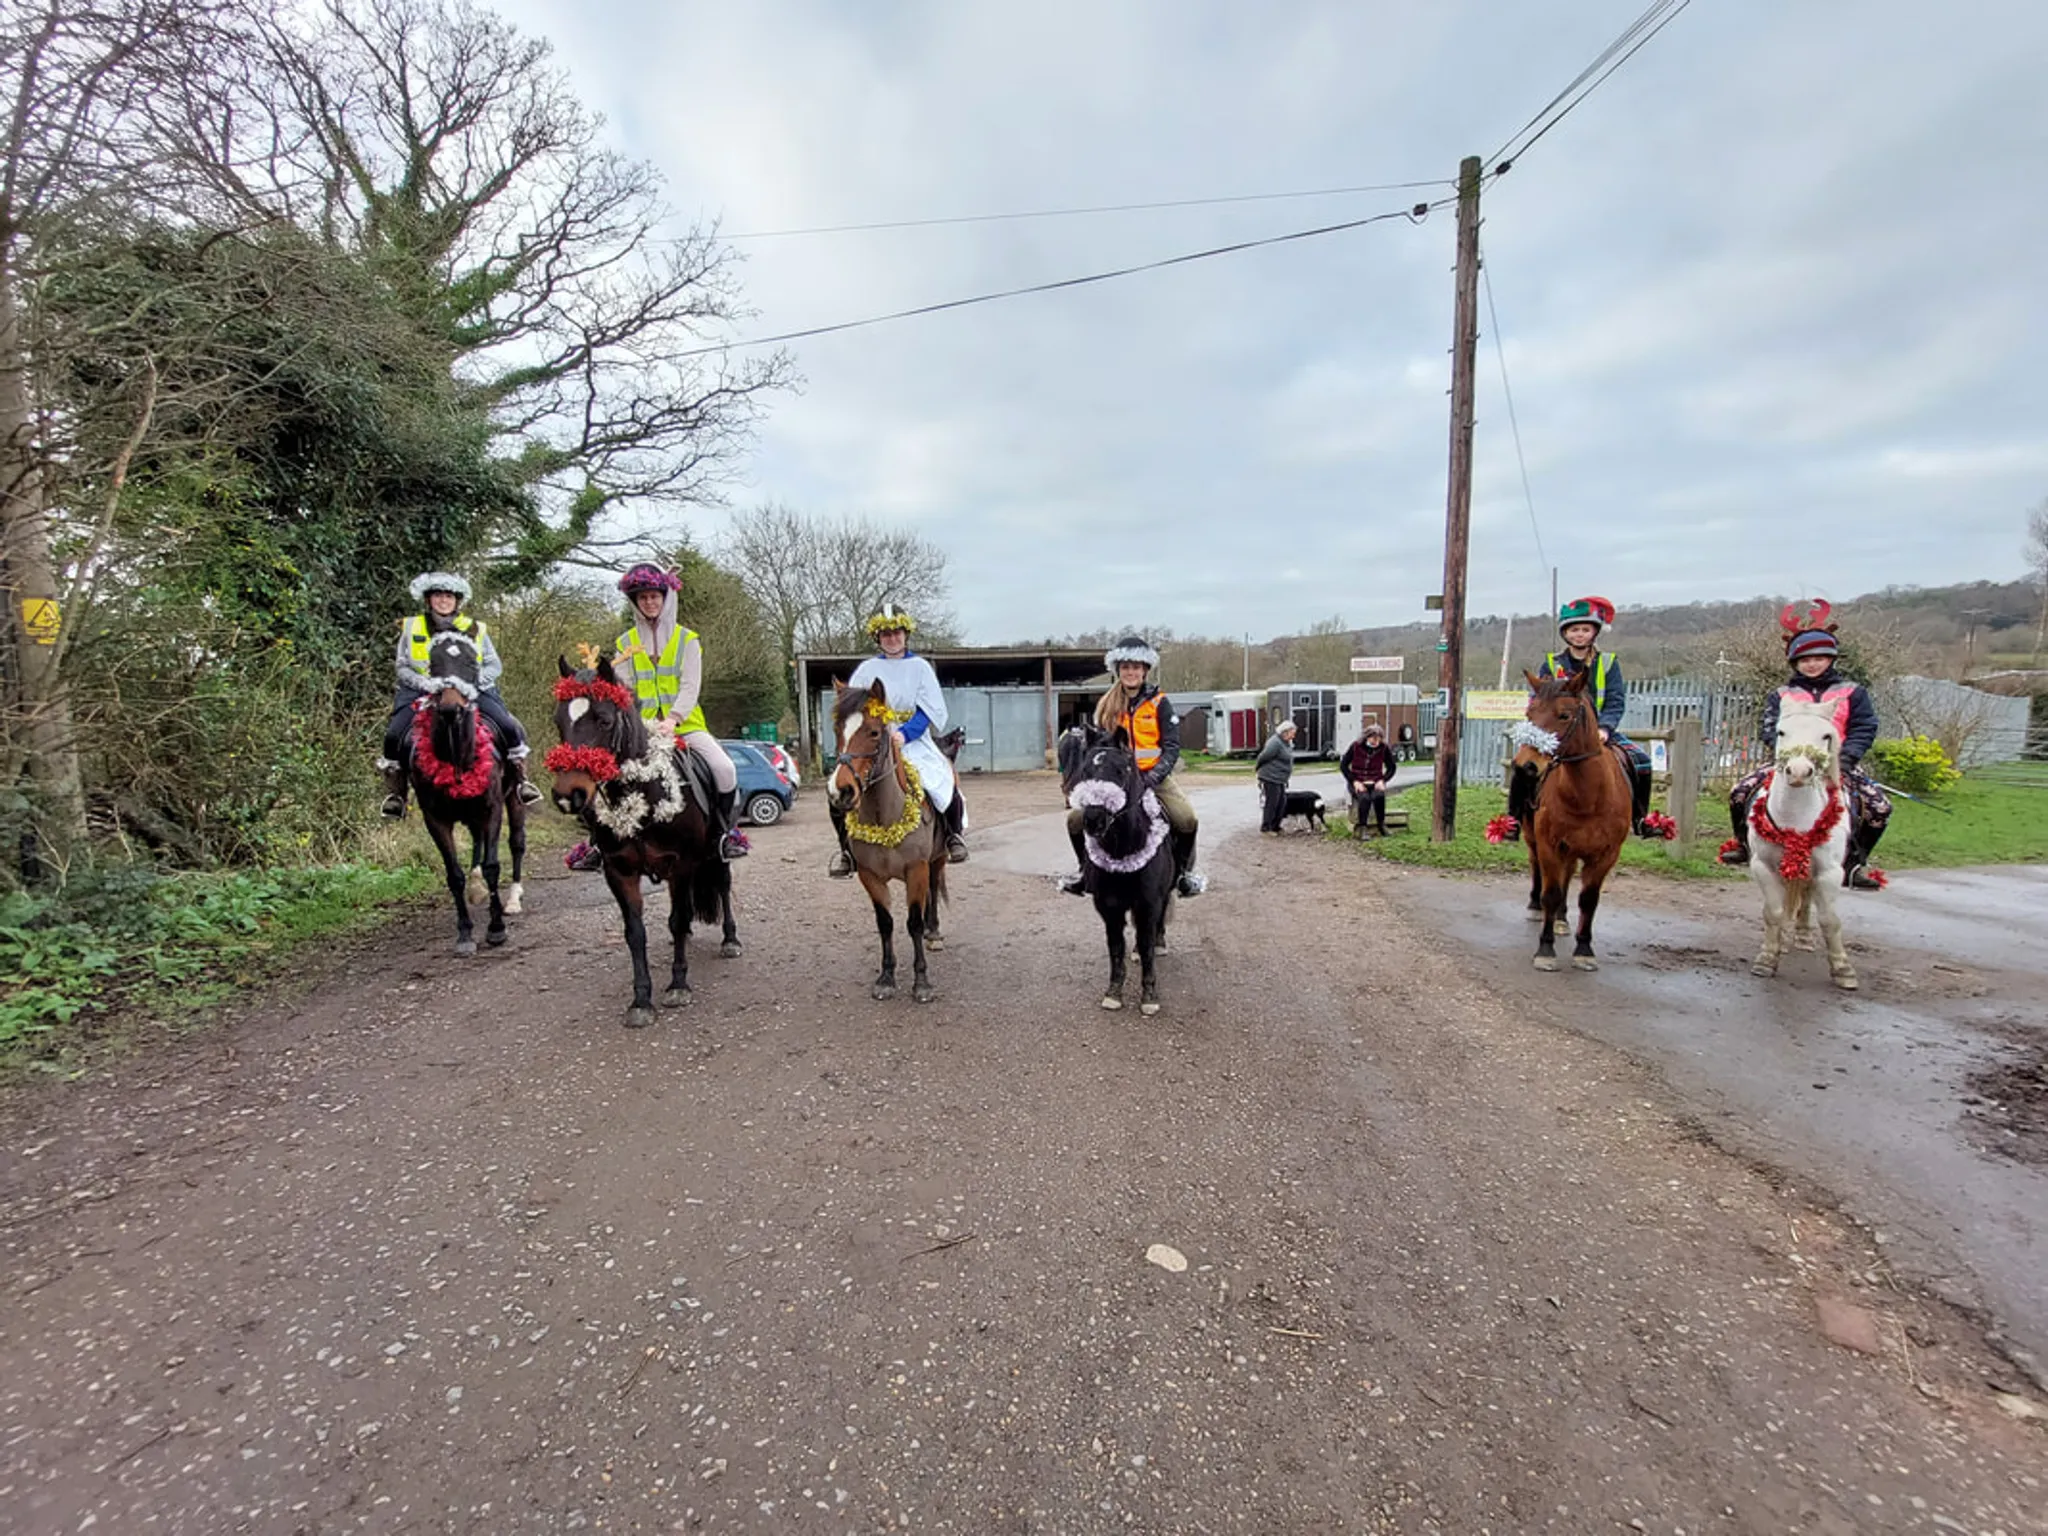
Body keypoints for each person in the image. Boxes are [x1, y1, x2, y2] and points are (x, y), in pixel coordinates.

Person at [1719, 605, 1891, 889]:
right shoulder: (1782, 695)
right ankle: (1743, 845)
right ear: (1795, 662)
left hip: (1837, 763)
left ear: (1831, 659)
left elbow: (1864, 727)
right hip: (1787, 764)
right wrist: (1785, 756)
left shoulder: (1852, 692)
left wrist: (1845, 759)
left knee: (1879, 807)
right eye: (1805, 659)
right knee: (1739, 792)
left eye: (1820, 658)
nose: (1812, 664)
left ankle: (1856, 862)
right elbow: (1769, 728)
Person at [376, 571, 544, 818]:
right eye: (438, 596)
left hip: (471, 691)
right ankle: (397, 795)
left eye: (449, 596)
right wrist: (423, 682)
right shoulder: (412, 626)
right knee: (393, 736)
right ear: (428, 599)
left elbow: (493, 665)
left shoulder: (475, 628)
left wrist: (471, 684)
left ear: (457, 600)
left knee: (509, 727)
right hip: (420, 691)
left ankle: (521, 782)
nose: (443, 601)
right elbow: (401, 665)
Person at [612, 563, 749, 861]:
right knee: (603, 773)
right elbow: (625, 690)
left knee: (725, 769)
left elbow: (690, 685)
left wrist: (673, 719)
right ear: (635, 602)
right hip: (641, 730)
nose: (649, 603)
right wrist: (642, 724)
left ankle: (725, 833)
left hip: (685, 725)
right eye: (643, 598)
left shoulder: (688, 640)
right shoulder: (624, 644)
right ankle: (599, 845)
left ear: (665, 598)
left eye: (654, 596)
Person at [1058, 636, 1206, 898]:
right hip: (1115, 783)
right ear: (1118, 670)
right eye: (1126, 667)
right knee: (1074, 821)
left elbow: (1171, 748)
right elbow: (1096, 749)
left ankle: (1184, 874)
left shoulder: (1160, 703)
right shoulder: (1106, 705)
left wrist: (1153, 776)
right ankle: (1084, 872)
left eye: (1136, 667)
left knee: (1186, 819)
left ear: (1145, 670)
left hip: (1154, 777)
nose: (1131, 672)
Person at [828, 602, 968, 876]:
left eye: (896, 633)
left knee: (941, 780)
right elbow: (852, 709)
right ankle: (846, 850)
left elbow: (929, 709)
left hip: (913, 741)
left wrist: (905, 734)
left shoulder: (920, 668)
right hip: (872, 742)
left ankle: (953, 836)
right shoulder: (867, 669)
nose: (892, 638)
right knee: (838, 788)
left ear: (905, 634)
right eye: (886, 634)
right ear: (878, 638)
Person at [1505, 596, 1656, 837]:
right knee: (1522, 765)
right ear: (1565, 633)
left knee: (1641, 761)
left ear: (1595, 632)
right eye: (1574, 629)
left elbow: (1615, 700)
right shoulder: (1551, 664)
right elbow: (1540, 700)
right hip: (1556, 734)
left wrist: (1605, 728)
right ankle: (1513, 821)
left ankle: (1640, 819)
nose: (1579, 634)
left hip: (1599, 731)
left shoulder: (1608, 663)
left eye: (1585, 629)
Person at [1339, 723, 1399, 837]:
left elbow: (1392, 767)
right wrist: (1354, 781)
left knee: (1379, 796)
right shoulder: (1356, 746)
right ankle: (1363, 827)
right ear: (1367, 737)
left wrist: (1383, 780)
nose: (1375, 742)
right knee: (1364, 798)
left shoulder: (1384, 748)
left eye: (1378, 739)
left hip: (1375, 780)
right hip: (1358, 780)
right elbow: (1343, 766)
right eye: (1373, 738)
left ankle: (1381, 825)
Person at [1256, 719, 1297, 833]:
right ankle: (1266, 827)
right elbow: (1263, 757)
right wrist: (1258, 770)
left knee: (1281, 802)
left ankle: (1275, 826)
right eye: (1292, 733)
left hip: (1280, 778)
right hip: (1270, 777)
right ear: (1285, 732)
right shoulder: (1275, 743)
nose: (1293, 736)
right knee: (1272, 803)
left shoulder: (1285, 743)